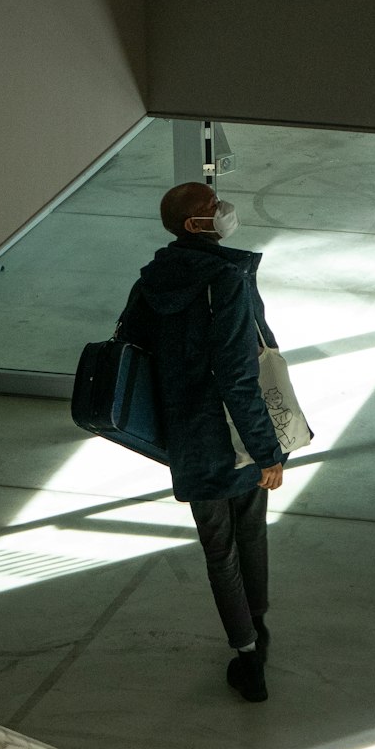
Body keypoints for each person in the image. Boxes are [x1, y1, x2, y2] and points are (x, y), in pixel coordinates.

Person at [119, 182, 284, 703]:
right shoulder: (227, 280)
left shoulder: (151, 282)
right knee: (250, 531)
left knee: (219, 549)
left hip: (187, 437)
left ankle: (245, 651)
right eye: (213, 205)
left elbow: (133, 351)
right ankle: (257, 633)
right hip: (234, 434)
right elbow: (239, 376)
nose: (224, 209)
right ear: (196, 224)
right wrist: (266, 451)